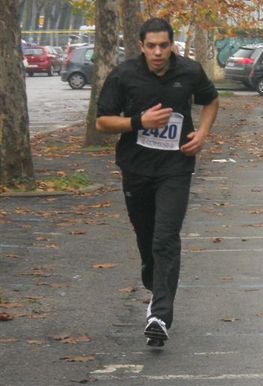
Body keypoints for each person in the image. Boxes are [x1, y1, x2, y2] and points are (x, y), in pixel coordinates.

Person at [96, 17, 219, 346]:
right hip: (136, 170)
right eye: (151, 46)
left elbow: (211, 100)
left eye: (164, 45)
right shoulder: (124, 76)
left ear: (172, 45)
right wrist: (140, 121)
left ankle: (160, 315)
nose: (158, 52)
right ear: (141, 47)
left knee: (165, 238)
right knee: (147, 239)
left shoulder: (189, 72)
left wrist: (203, 133)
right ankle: (156, 287)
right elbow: (102, 122)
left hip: (175, 169)